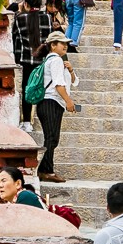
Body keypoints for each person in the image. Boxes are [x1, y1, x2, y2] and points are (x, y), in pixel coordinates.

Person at [35, 31, 78, 183]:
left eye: (66, 43)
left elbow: (73, 81)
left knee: (52, 138)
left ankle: (44, 170)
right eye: (62, 43)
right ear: (53, 45)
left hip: (50, 103)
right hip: (50, 102)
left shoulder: (56, 60)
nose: (65, 46)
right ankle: (46, 171)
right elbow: (59, 85)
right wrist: (69, 101)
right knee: (51, 138)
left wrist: (71, 70)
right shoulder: (55, 61)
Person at [10, 0, 54, 126]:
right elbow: (49, 40)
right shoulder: (47, 18)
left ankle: (27, 122)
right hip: (42, 61)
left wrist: (16, 58)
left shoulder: (20, 18)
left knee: (27, 88)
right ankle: (43, 121)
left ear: (26, 3)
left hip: (26, 60)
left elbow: (14, 38)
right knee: (42, 88)